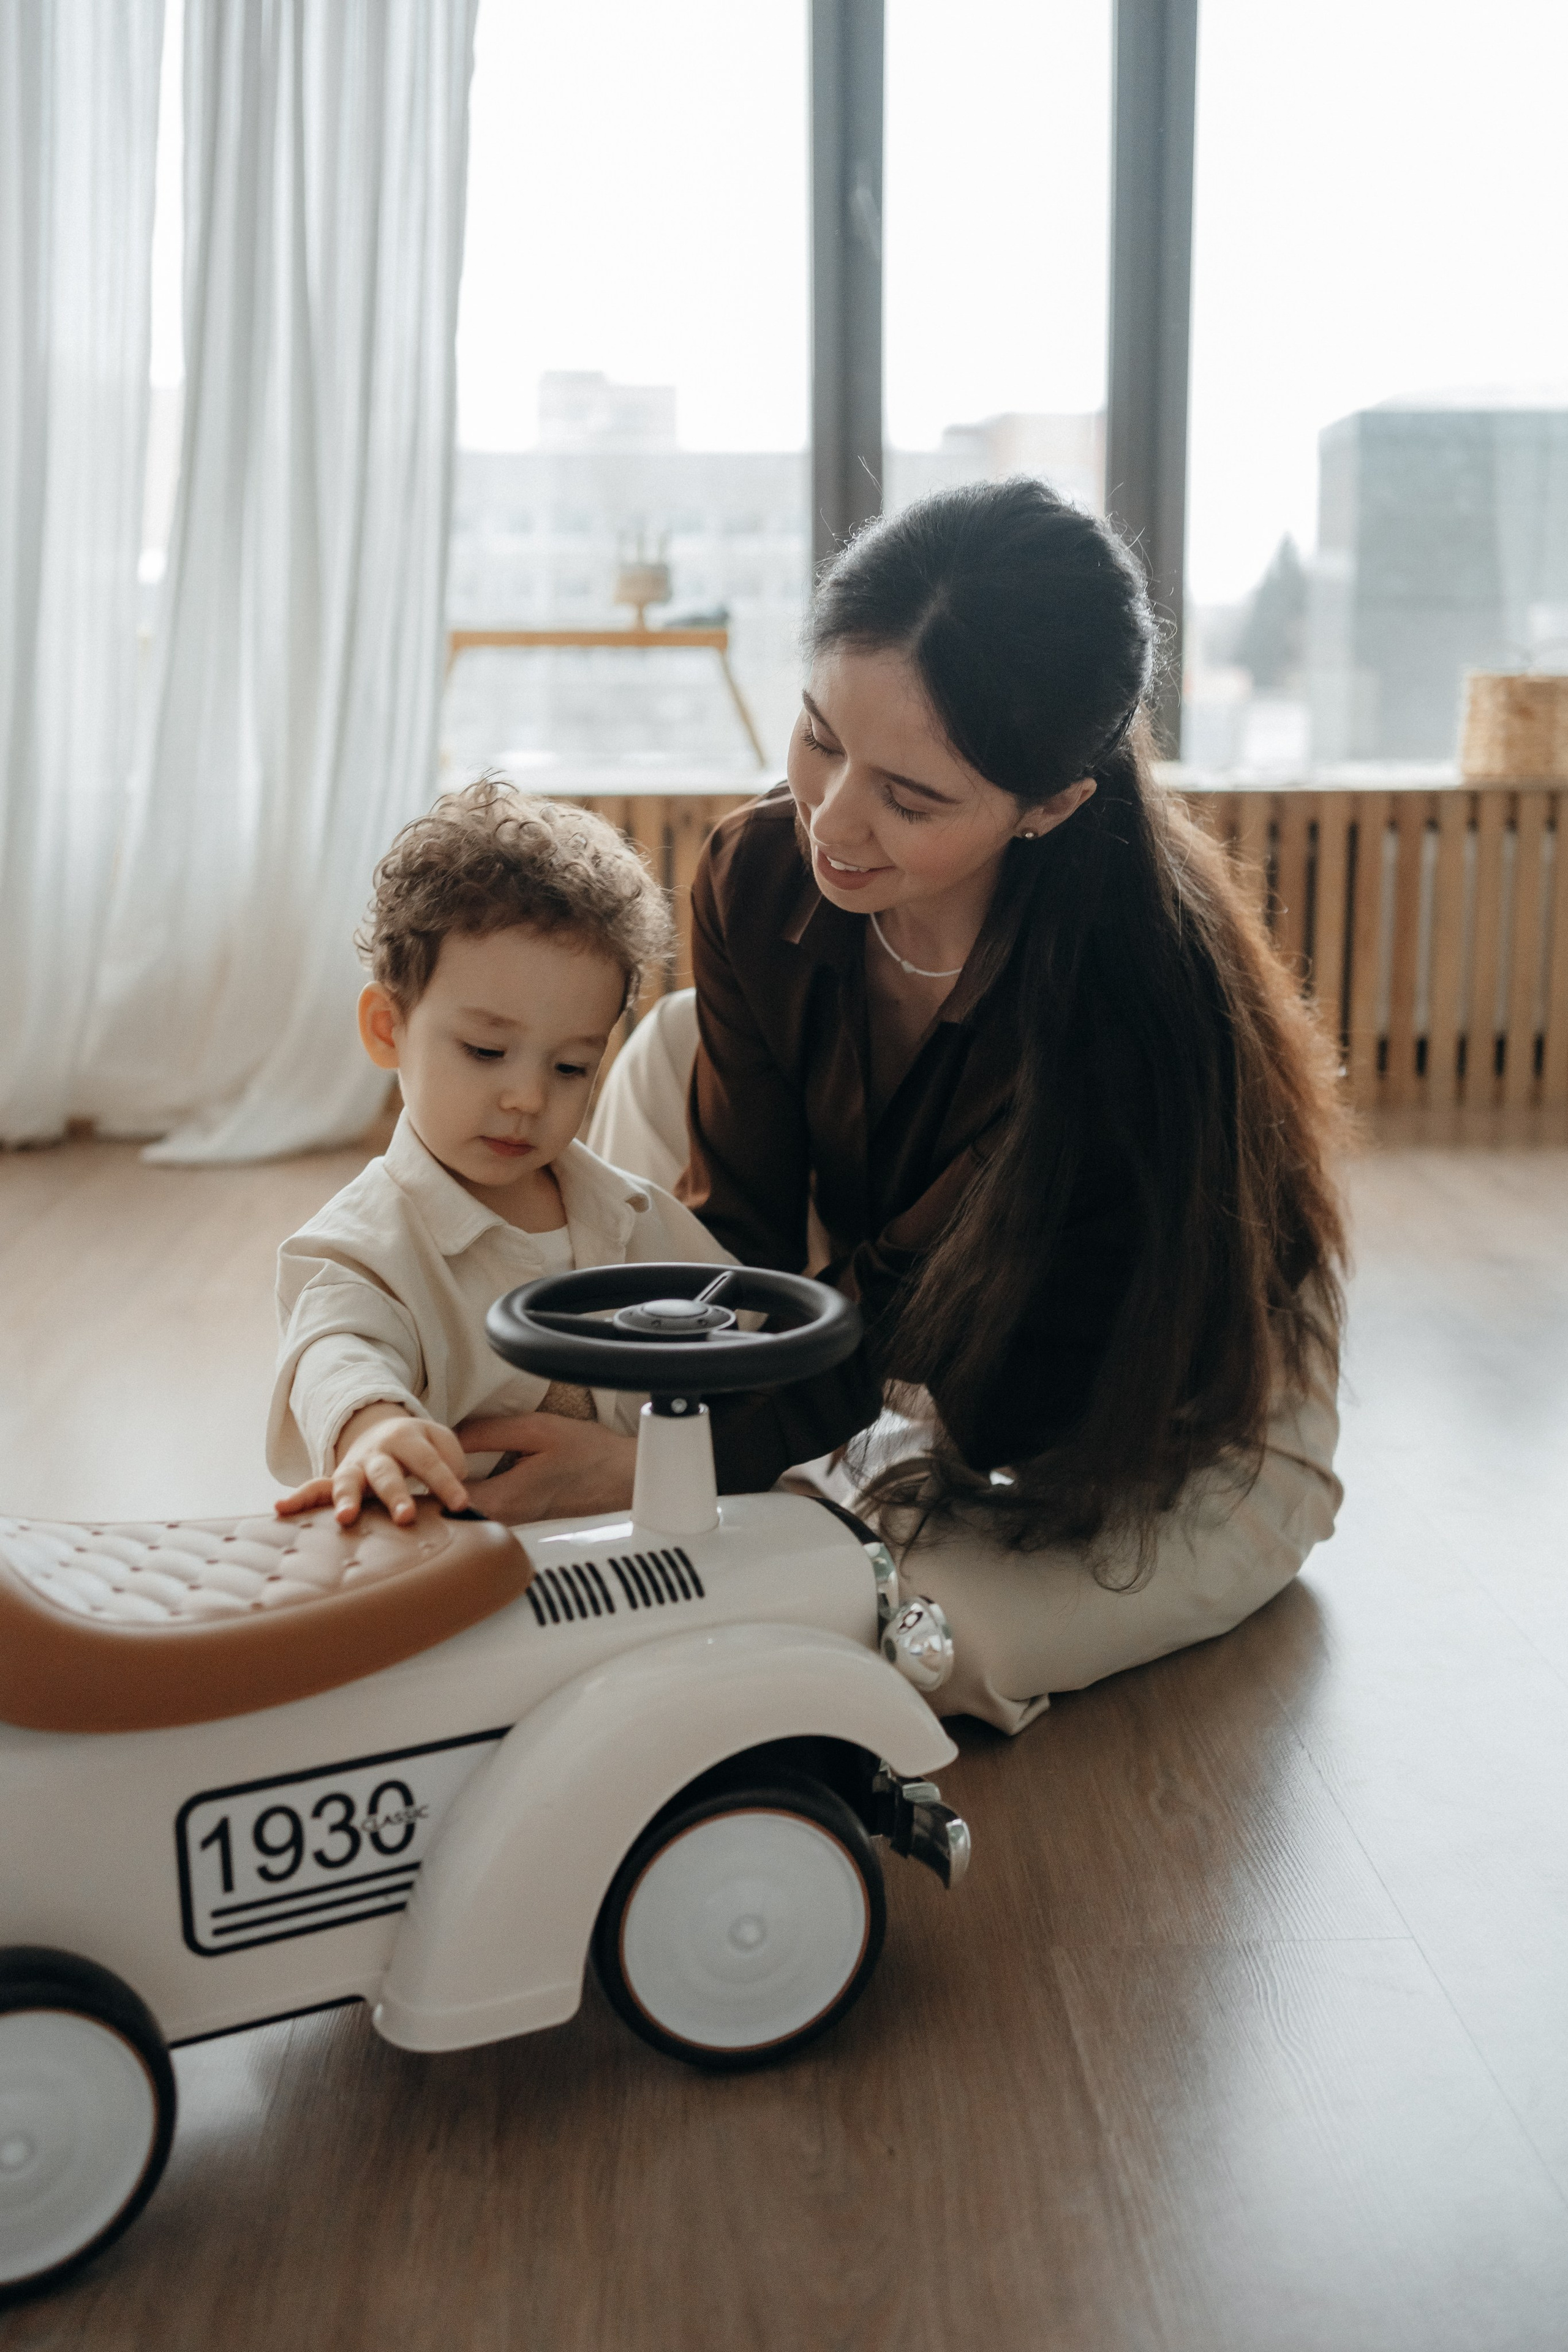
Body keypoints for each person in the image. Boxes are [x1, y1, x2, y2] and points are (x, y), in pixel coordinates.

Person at [581, 477, 1349, 1734]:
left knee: (923, 1643)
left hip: (1161, 1389)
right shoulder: (758, 869)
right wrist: (667, 1447)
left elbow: (987, 1385)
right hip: (906, 1301)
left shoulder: (1126, 1028)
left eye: (911, 796)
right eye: (819, 735)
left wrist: (698, 1473)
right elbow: (751, 1244)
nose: (829, 818)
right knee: (668, 1047)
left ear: (1049, 807)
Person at [268, 783, 731, 1531]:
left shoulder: (637, 1216)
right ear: (388, 1028)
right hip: (455, 1572)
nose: (526, 1098)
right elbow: (336, 1350)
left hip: (636, 1554)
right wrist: (375, 1426)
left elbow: (738, 1327)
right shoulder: (352, 1248)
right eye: (486, 1051)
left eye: (571, 1067)